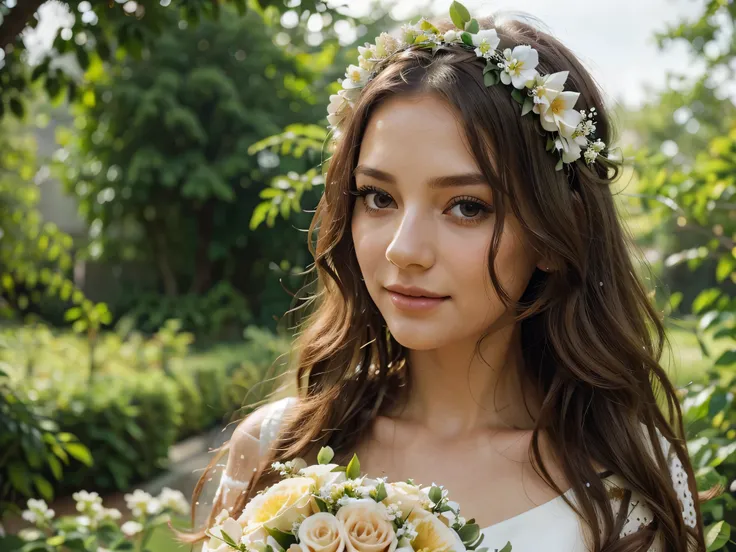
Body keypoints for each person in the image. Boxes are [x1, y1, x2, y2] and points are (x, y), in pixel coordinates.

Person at [179, 5, 705, 552]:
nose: (404, 249)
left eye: (466, 207)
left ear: (554, 233)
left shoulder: (622, 491)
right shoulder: (272, 451)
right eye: (378, 197)